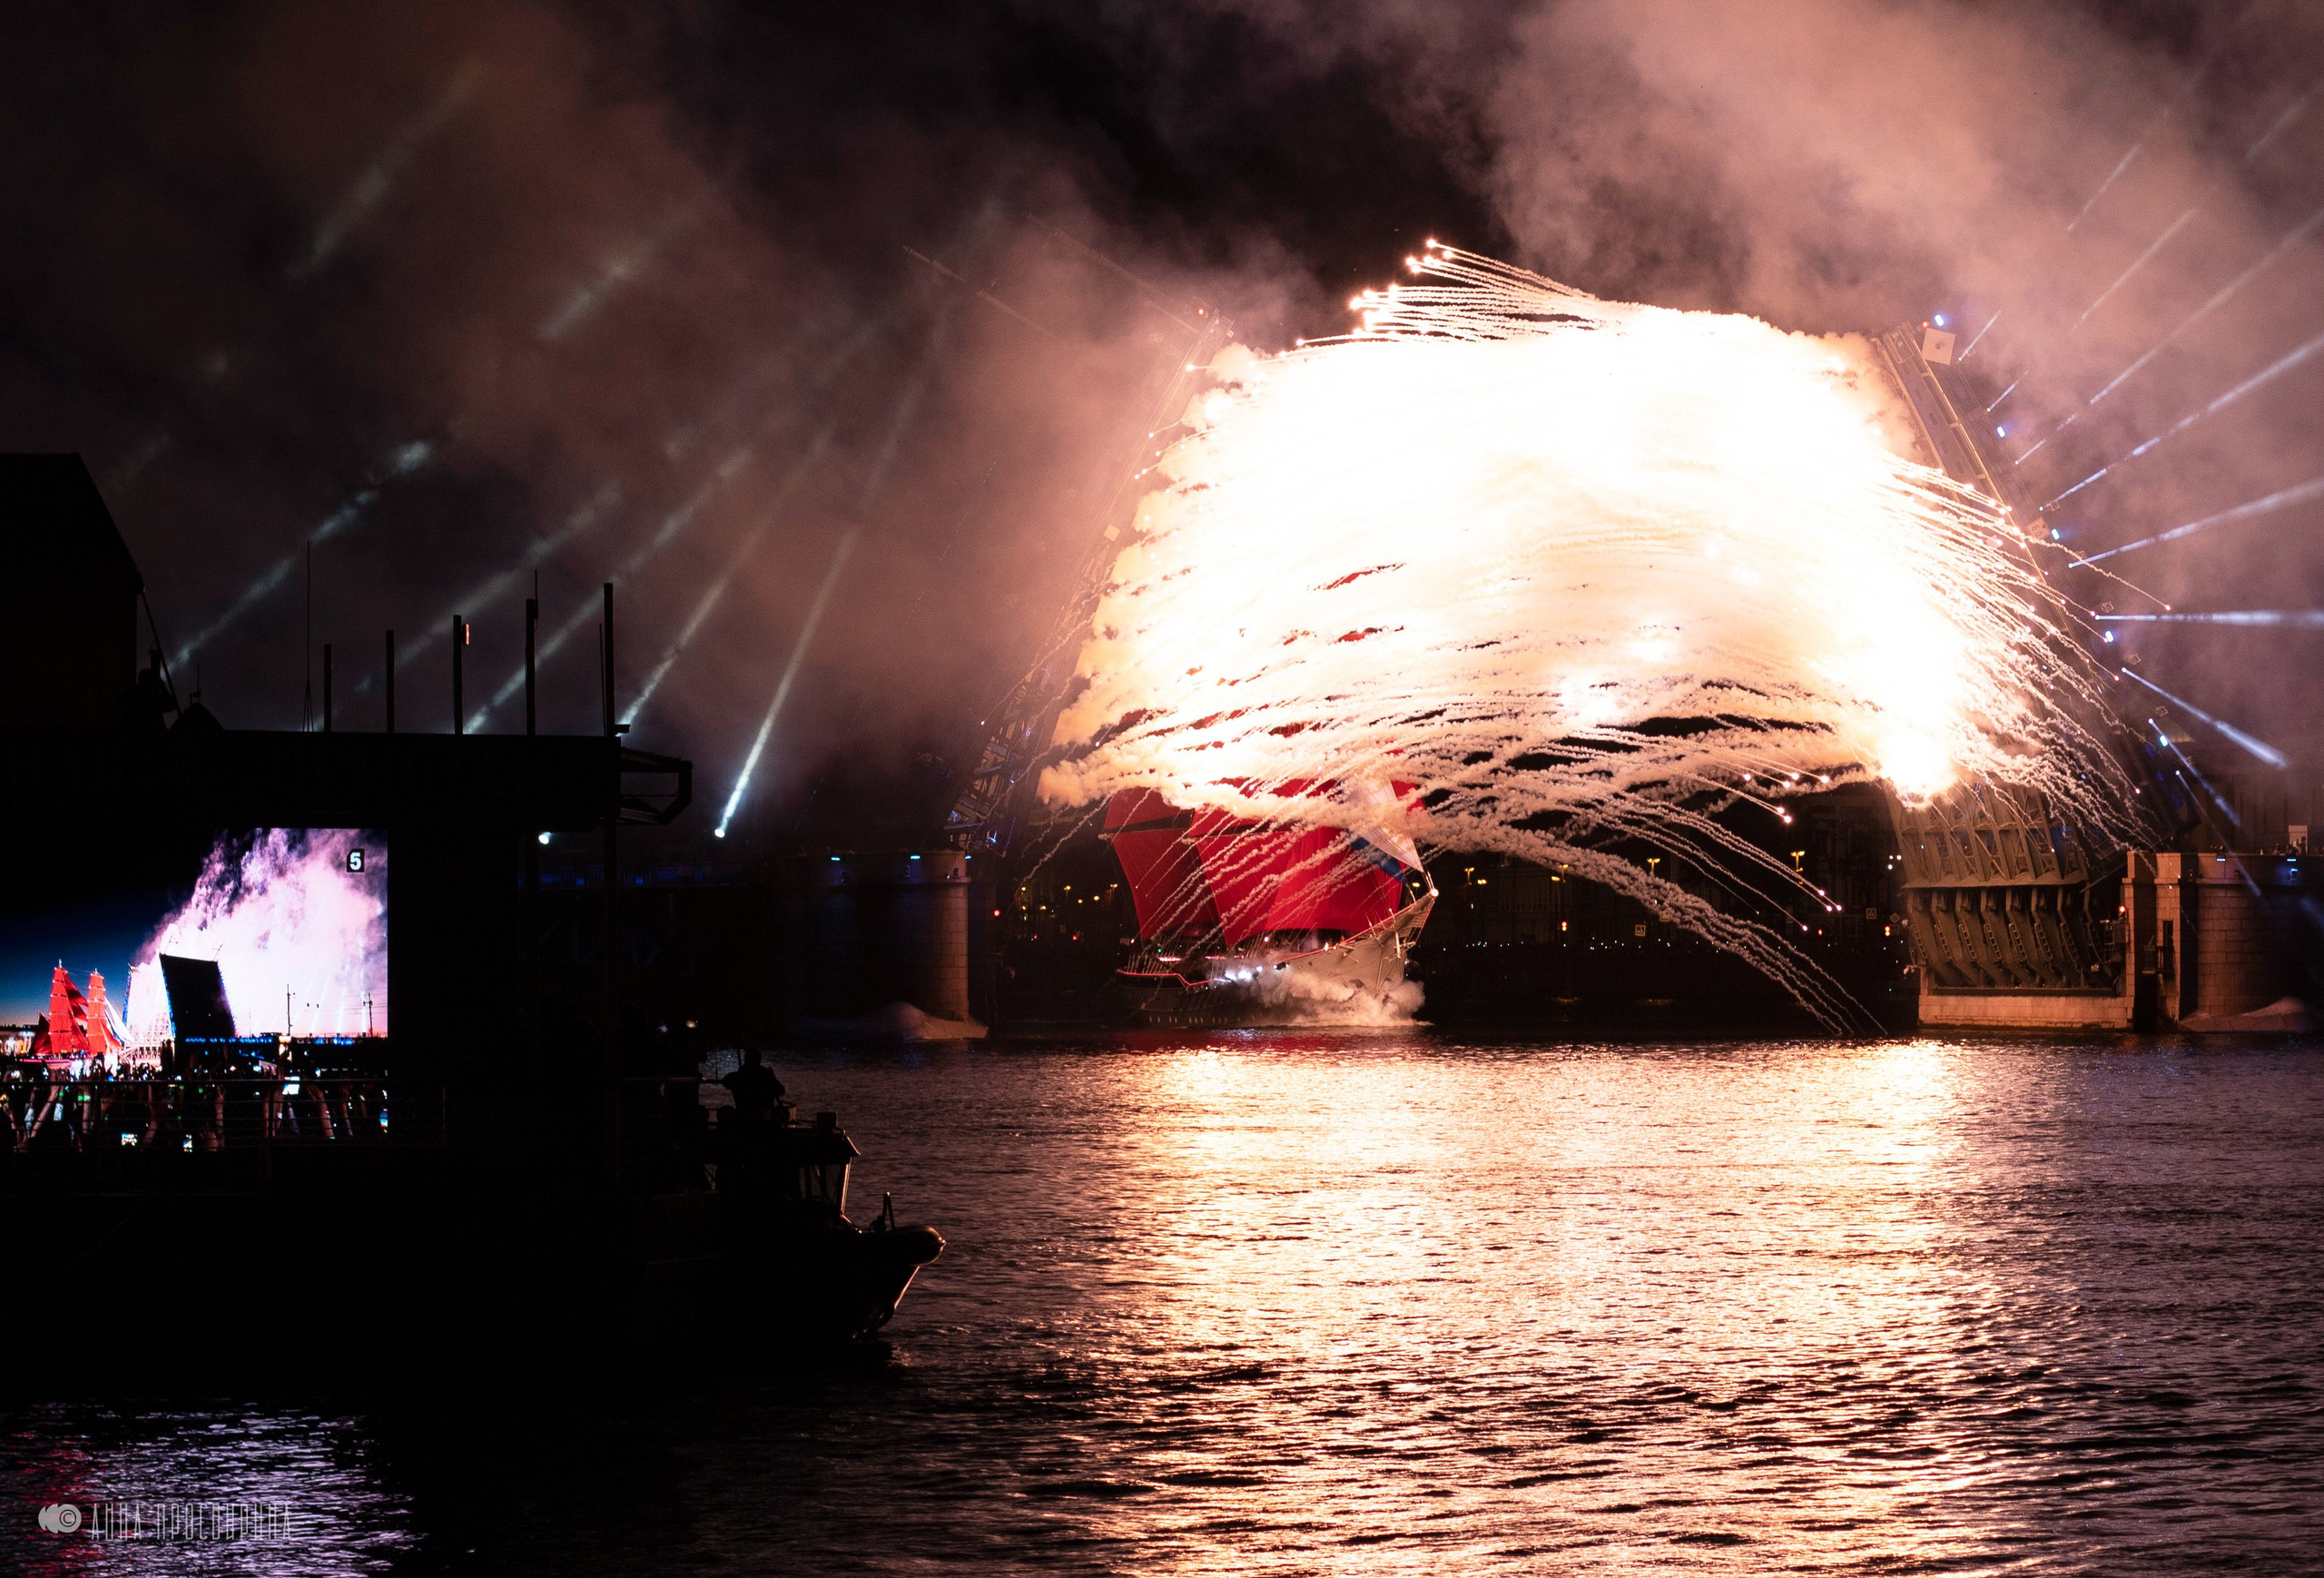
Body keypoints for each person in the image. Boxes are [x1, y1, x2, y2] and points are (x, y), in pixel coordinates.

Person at [722, 1049, 783, 1122]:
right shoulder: (766, 1075)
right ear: (759, 1061)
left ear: (745, 1060)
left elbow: (725, 1081)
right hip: (764, 1119)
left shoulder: (737, 1076)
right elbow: (781, 1091)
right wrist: (772, 1077)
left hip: (743, 1117)